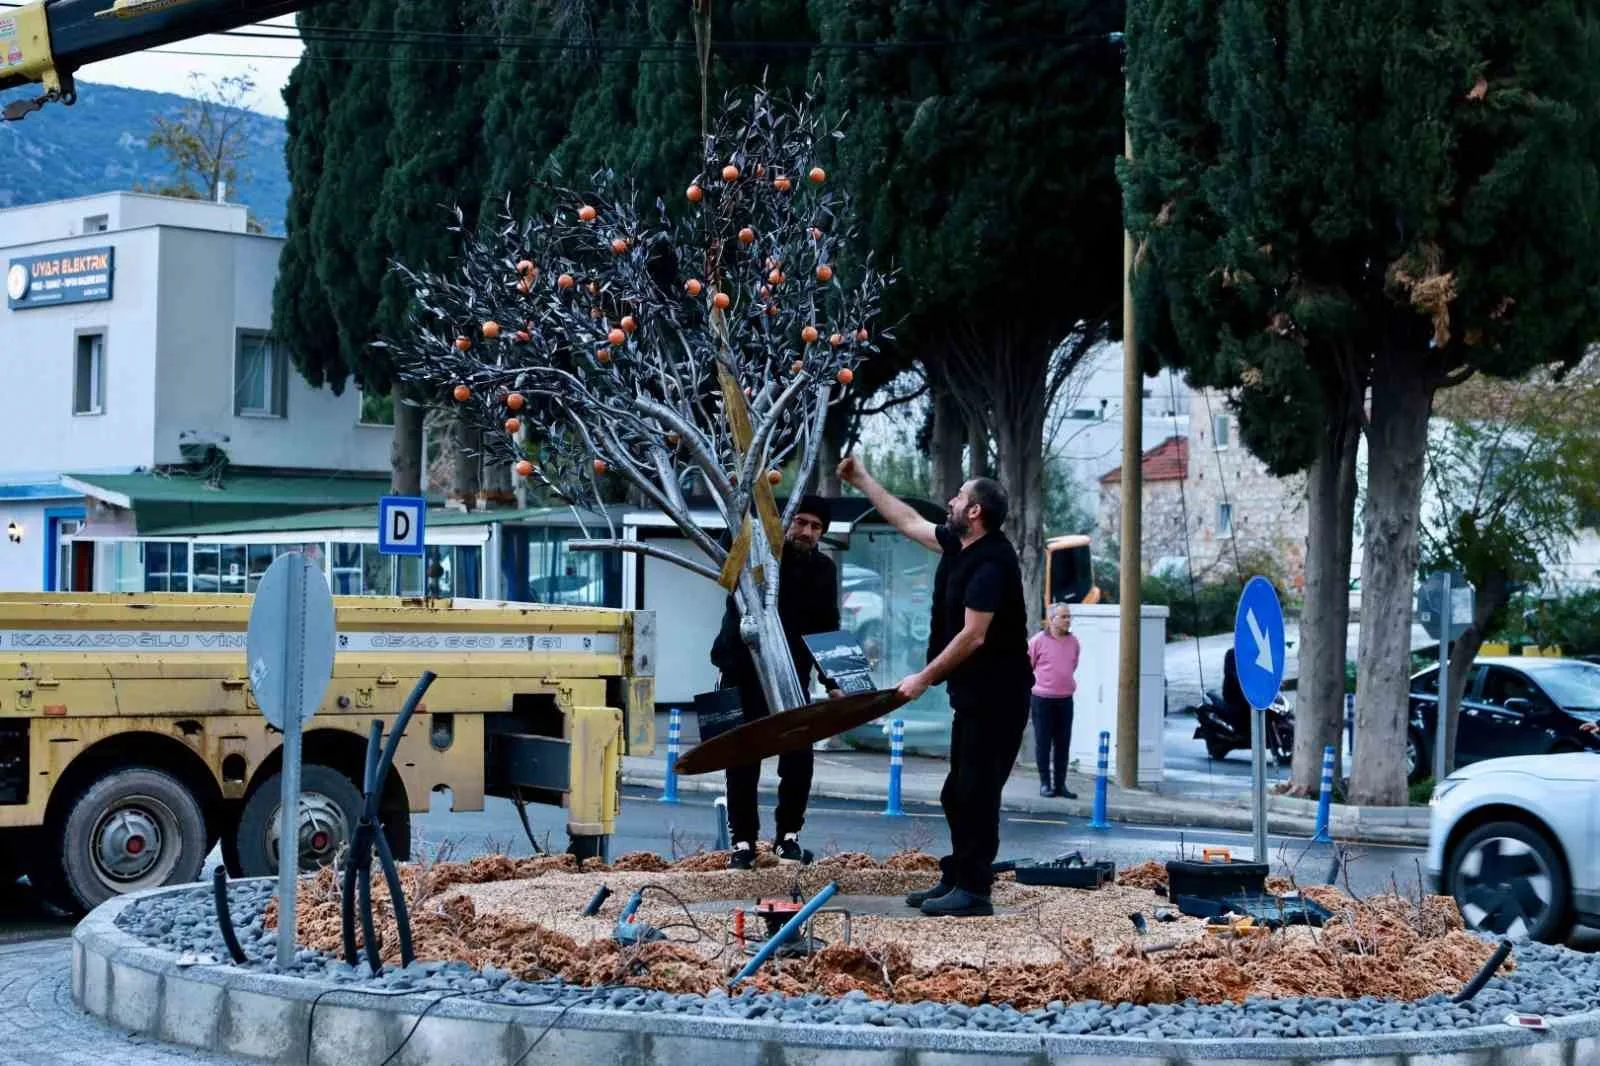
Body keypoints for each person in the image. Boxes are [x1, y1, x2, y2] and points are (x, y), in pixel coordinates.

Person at [837, 456, 1033, 918]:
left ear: (975, 512)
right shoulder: (957, 545)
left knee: (977, 793)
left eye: (959, 496)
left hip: (1000, 697)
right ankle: (958, 874)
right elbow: (908, 522)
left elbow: (974, 635)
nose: (951, 500)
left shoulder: (992, 562)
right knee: (956, 792)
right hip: (973, 698)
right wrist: (863, 478)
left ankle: (975, 890)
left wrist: (922, 679)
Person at [710, 495, 843, 870]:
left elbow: (826, 627)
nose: (806, 532)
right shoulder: (754, 555)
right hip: (741, 670)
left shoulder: (823, 571)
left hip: (791, 673)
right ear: (783, 523)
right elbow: (727, 545)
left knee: (799, 755)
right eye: (800, 522)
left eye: (816, 527)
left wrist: (832, 679)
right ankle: (742, 842)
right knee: (741, 757)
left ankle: (788, 837)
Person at [1029, 603, 1081, 799]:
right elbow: (1028, 666)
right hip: (1042, 700)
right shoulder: (1037, 641)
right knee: (1043, 743)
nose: (1068, 620)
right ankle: (1045, 784)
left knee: (1063, 743)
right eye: (1064, 617)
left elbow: (1072, 665)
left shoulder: (1074, 642)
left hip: (1065, 699)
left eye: (1069, 617)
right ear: (1051, 619)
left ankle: (1060, 785)